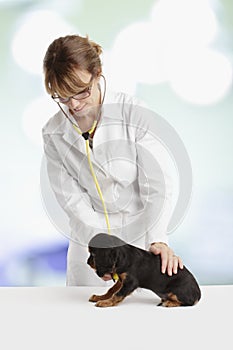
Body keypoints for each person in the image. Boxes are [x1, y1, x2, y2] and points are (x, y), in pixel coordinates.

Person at [42, 34, 183, 286]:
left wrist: (158, 238)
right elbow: (73, 201)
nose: (73, 104)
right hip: (89, 248)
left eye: (81, 92)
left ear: (97, 74)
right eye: (63, 96)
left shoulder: (133, 114)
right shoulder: (53, 133)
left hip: (139, 243)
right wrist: (102, 246)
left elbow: (159, 185)